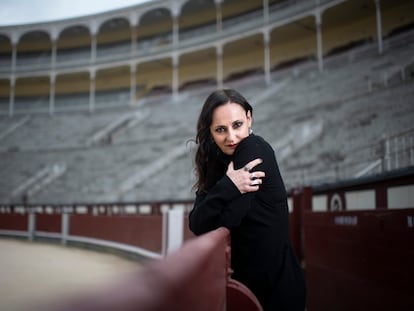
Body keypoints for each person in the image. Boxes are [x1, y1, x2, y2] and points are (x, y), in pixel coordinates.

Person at [188, 89, 306, 310]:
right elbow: (196, 222)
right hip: (247, 289)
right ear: (210, 131)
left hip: (278, 291)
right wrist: (230, 185)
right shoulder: (217, 161)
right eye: (220, 129)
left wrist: (220, 194)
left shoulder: (254, 149)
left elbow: (229, 218)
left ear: (249, 118)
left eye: (237, 125)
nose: (231, 137)